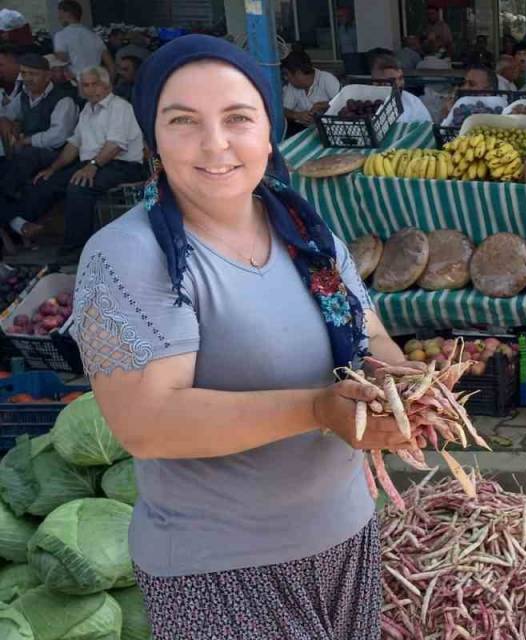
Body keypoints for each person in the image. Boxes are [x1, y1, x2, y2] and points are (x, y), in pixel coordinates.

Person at [70, 34, 421, 637]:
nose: (216, 143)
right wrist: (317, 408)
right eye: (184, 121)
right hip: (219, 571)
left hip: (346, 538)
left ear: (269, 129)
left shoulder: (304, 231)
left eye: (238, 118)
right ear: (153, 138)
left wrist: (400, 383)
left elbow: (368, 333)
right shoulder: (128, 256)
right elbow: (146, 423)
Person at [12, 65, 146, 255]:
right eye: (86, 86)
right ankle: (20, 229)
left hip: (122, 164)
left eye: (95, 85)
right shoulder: (87, 110)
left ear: (107, 86)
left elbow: (115, 144)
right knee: (46, 182)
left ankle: (75, 250)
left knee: (80, 187)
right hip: (94, 163)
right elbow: (74, 144)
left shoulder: (120, 107)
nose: (90, 90)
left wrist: (92, 166)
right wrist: (53, 168)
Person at [0, 53, 79, 245]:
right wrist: (12, 124)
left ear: (47, 75)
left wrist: (27, 140)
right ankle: (17, 222)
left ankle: (4, 193)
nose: (27, 78)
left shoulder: (63, 100)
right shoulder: (23, 97)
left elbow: (58, 136)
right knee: (16, 163)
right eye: (24, 73)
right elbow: (8, 115)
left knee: (25, 157)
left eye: (33, 73)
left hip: (57, 156)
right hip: (26, 156)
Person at [281, 51, 340, 136]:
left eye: (287, 74)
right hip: (302, 130)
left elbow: (343, 105)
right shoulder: (292, 86)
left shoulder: (327, 79)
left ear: (298, 73)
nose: (286, 78)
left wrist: (325, 106)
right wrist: (297, 115)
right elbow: (284, 110)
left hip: (329, 129)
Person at [52, 1, 113, 79]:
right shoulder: (94, 36)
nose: (58, 17)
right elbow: (111, 65)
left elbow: (61, 59)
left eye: (60, 14)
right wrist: (109, 84)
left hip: (75, 83)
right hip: (96, 82)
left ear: (67, 14)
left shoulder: (61, 36)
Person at [369, 53, 433, 125]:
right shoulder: (366, 106)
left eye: (400, 78)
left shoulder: (413, 103)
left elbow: (427, 131)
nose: (399, 84)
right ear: (377, 83)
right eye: (392, 80)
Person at [336, 5, 362, 75]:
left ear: (349, 15)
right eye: (338, 17)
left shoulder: (357, 27)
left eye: (341, 16)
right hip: (346, 57)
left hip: (358, 56)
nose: (339, 19)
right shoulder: (340, 29)